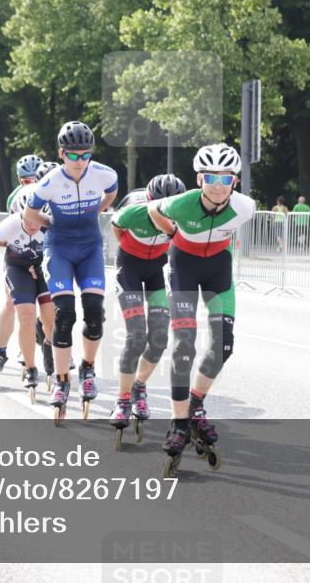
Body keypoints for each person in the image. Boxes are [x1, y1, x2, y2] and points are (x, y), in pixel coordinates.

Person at [147, 143, 255, 476]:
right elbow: (154, 211)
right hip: (183, 265)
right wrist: (170, 232)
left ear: (235, 181)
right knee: (184, 345)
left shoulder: (245, 207)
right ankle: (179, 425)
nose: (218, 185)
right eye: (210, 177)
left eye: (226, 178)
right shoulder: (180, 203)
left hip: (219, 269)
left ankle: (194, 404)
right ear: (199, 178)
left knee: (224, 346)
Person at [24, 121, 119, 423]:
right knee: (64, 314)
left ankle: (88, 369)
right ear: (61, 153)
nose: (80, 161)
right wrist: (51, 223)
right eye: (73, 155)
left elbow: (112, 193)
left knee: (94, 311)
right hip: (60, 248)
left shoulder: (105, 174)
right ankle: (63, 380)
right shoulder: (48, 182)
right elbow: (29, 214)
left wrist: (97, 211)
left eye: (85, 155)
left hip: (90, 247)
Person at [109, 173, 187, 447]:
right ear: (150, 202)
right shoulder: (134, 211)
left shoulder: (181, 215)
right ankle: (122, 399)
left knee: (159, 339)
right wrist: (128, 248)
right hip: (129, 267)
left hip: (156, 271)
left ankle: (139, 386)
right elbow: (115, 226)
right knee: (136, 335)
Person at [0, 190, 54, 399]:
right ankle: (29, 367)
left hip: (43, 267)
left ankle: (48, 346)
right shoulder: (10, 224)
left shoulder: (51, 224)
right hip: (17, 268)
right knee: (26, 316)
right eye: (28, 219)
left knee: (51, 318)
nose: (32, 225)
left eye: (37, 220)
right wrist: (6, 242)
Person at [0, 154, 44, 376]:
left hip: (43, 254)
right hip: (18, 254)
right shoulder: (15, 199)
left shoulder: (52, 192)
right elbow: (11, 233)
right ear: (20, 181)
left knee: (47, 303)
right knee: (12, 302)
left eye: (36, 179)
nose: (31, 185)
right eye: (26, 181)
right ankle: (0, 352)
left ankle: (38, 335)